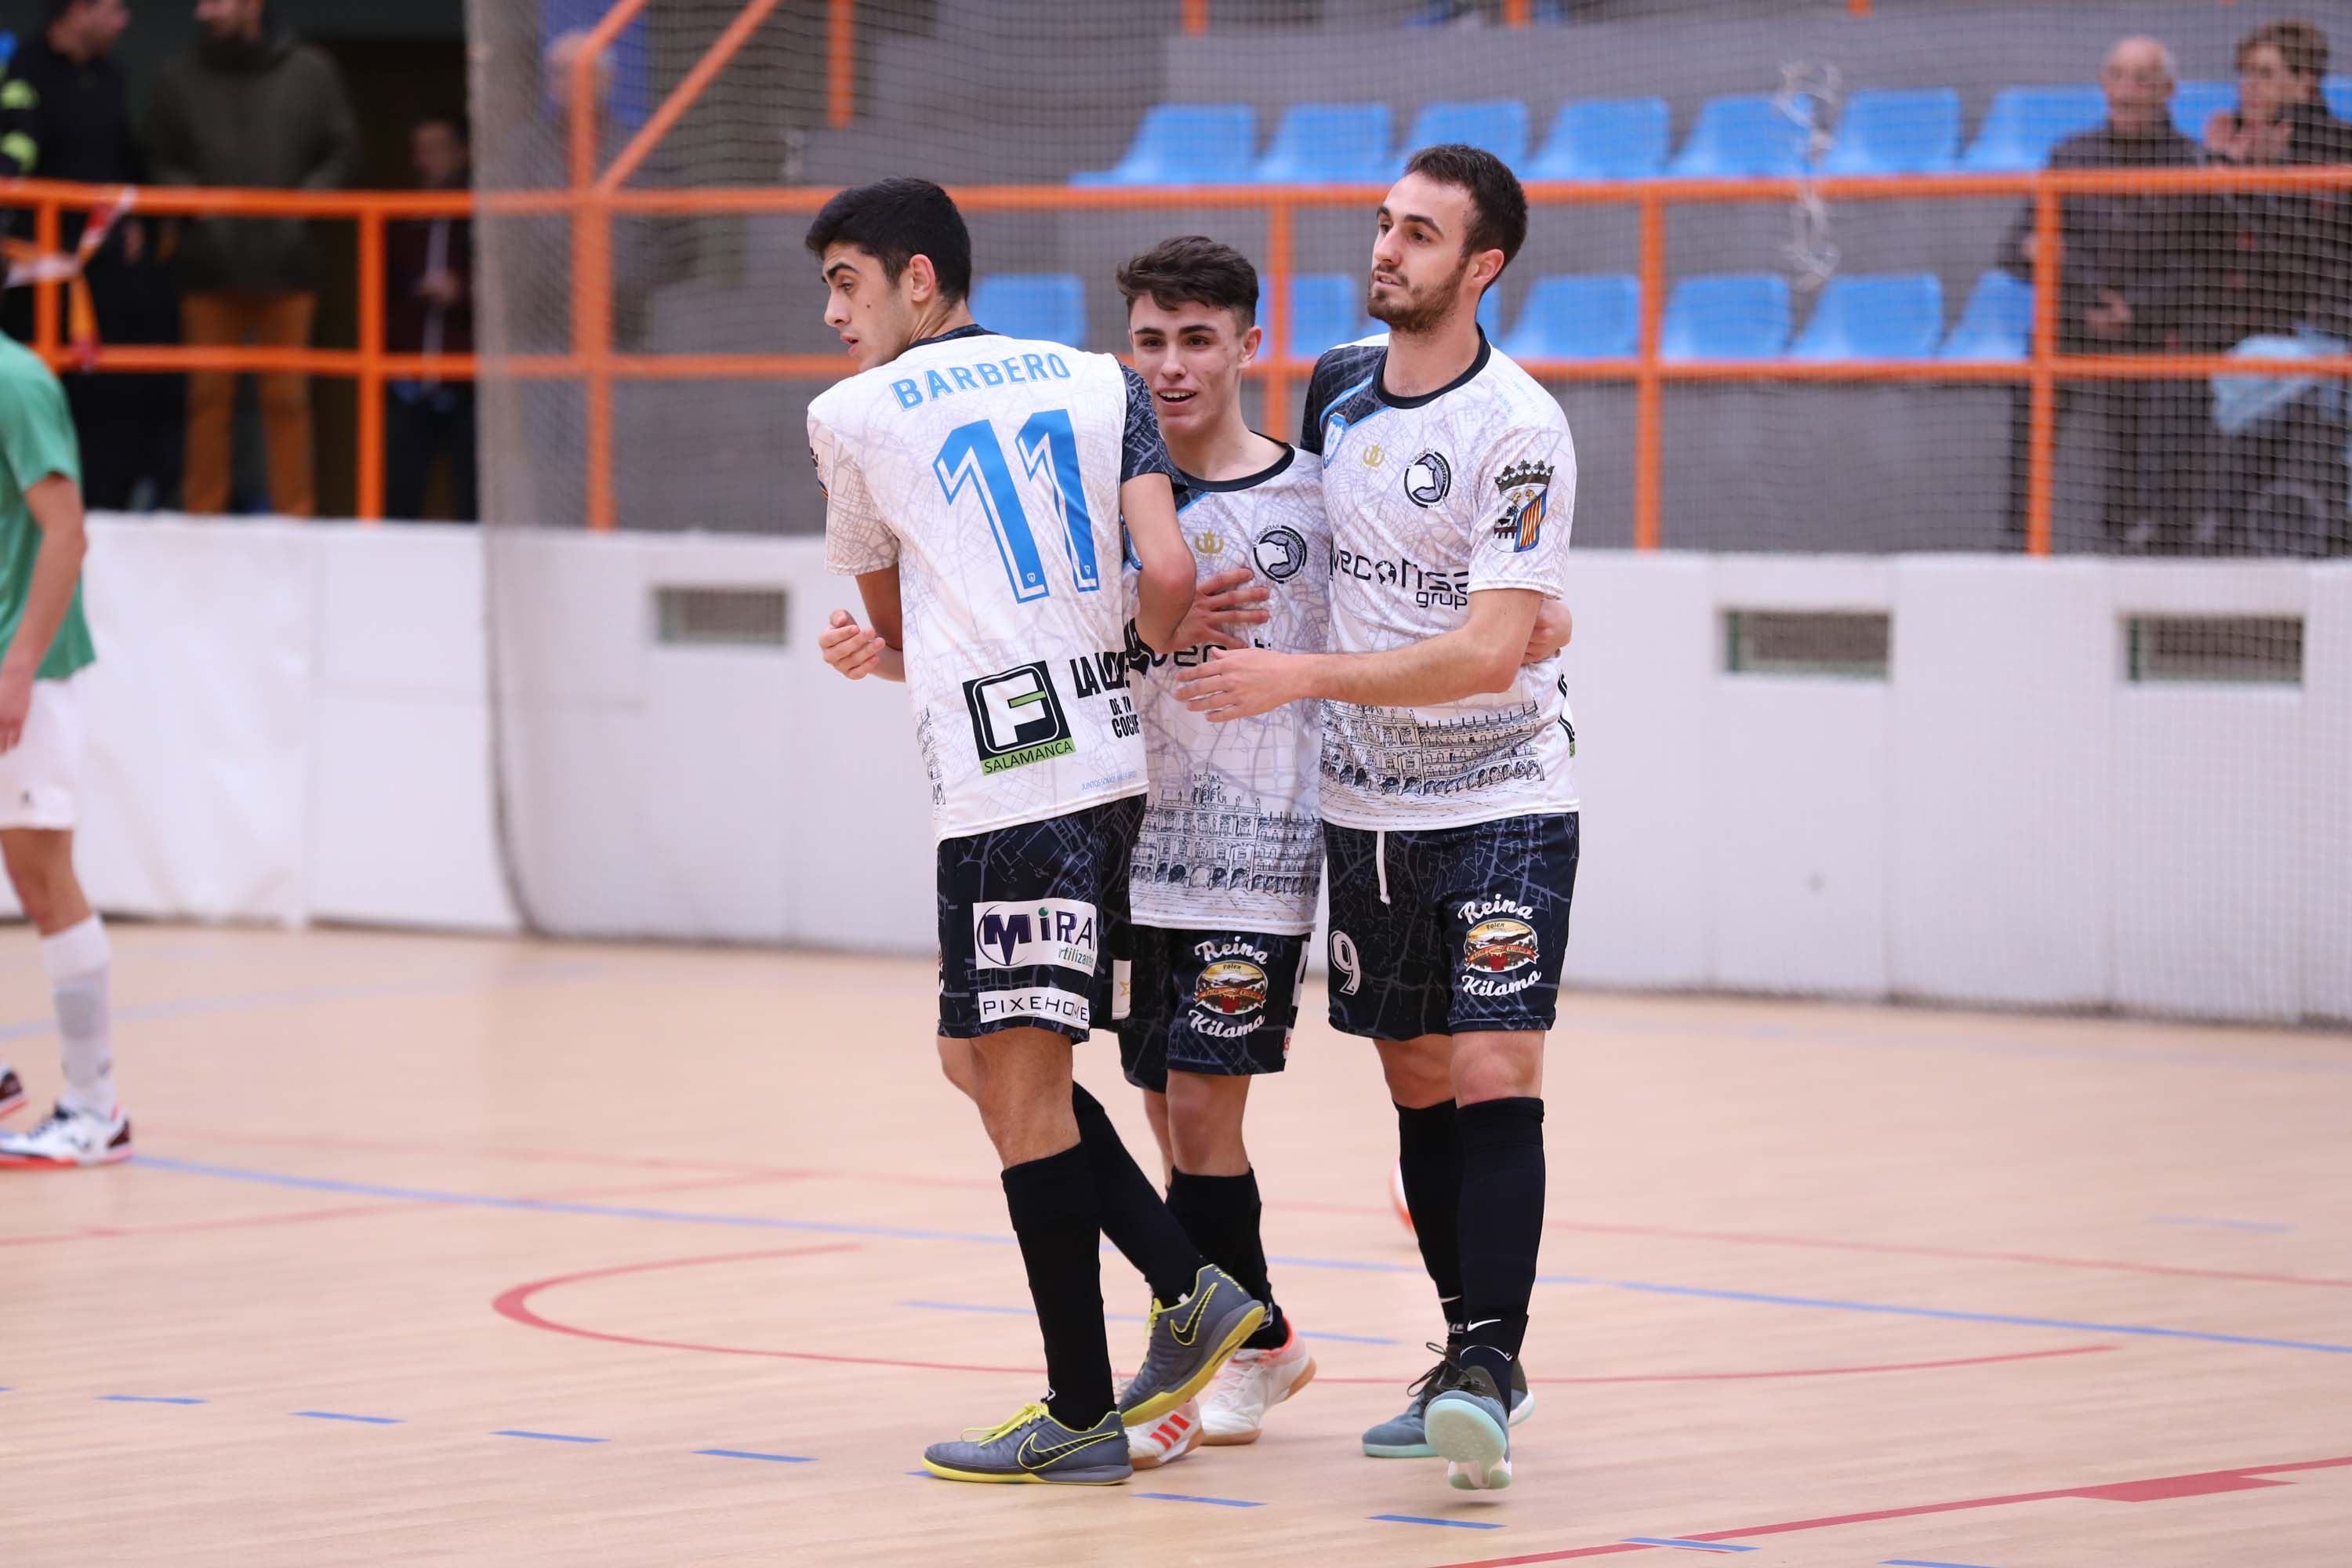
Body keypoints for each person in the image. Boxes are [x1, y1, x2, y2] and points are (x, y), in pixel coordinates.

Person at [802, 177, 1261, 1486]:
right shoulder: (1095, 379)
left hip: (1007, 789)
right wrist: (1112, 652)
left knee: (1014, 1077)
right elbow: (1165, 581)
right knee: (982, 1059)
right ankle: (1189, 1297)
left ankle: (1086, 1399)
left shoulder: (852, 415)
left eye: (848, 281)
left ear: (919, 283)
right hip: (1110, 769)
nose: (833, 312)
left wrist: (902, 650)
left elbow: (894, 628)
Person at [1175, 143, 1578, 1494]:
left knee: (1490, 1071)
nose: (1388, 247)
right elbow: (1313, 548)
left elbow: (1482, 655)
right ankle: (1467, 1351)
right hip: (1367, 807)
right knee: (1413, 1077)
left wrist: (1299, 675)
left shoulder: (1519, 425)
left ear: (1482, 268)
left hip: (1504, 788)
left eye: (1420, 234)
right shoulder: (1341, 384)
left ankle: (1486, 1365)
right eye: (1385, 223)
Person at [1999, 37, 2216, 552]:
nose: (2127, 91)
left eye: (2142, 80)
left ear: (2168, 91)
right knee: (2032, 390)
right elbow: (2014, 249)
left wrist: (2136, 308)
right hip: (2074, 321)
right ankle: (2018, 536)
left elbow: (2207, 266)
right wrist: (2040, 254)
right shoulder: (2070, 156)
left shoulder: (2195, 163)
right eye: (2118, 76)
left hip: (2155, 327)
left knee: (2147, 403)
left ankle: (2131, 536)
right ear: (2103, 85)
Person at [144, 0, 358, 517]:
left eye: (217, 1)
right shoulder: (178, 77)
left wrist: (305, 204)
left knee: (287, 400)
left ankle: (295, 515)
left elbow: (343, 153)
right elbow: (158, 160)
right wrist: (199, 205)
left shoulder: (311, 71)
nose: (204, 12)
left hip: (287, 264)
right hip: (209, 265)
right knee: (206, 398)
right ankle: (202, 513)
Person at [0, 329, 125, 1169]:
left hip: (24, 666)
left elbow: (64, 530)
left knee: (43, 878)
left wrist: (19, 665)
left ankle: (94, 1107)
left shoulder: (14, 380)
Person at [5, 0, 181, 514]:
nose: (125, 21)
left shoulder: (112, 78)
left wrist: (135, 221)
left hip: (102, 279)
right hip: (30, 279)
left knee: (112, 393)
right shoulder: (20, 73)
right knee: (36, 391)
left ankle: (109, 502)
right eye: (114, 8)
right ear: (77, 11)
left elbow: (124, 161)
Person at [2201, 19, 2352, 551]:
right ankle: (2224, 530)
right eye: (2244, 74)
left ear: (2305, 82)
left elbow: (2311, 251)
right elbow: (2198, 241)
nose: (2249, 86)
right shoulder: (2233, 150)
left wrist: (2246, 180)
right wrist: (2224, 170)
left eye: (2265, 74)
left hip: (2327, 328)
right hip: (2252, 324)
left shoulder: (2337, 149)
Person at [386, 116, 477, 522]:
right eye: (419, 150)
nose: (426, 160)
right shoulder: (403, 213)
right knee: (399, 493)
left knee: (472, 494)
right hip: (410, 376)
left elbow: (519, 280)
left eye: (437, 149)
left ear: (463, 152)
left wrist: (464, 291)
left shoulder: (488, 211)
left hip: (470, 378)